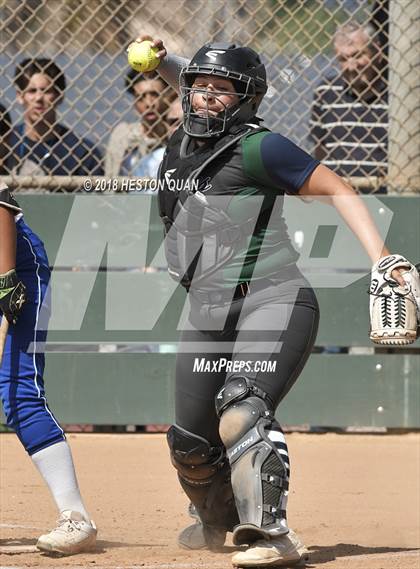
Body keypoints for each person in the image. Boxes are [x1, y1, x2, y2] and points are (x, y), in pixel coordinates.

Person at [137, 37, 414, 568]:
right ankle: (218, 522)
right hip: (207, 308)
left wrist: (384, 258)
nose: (206, 98)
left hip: (274, 297)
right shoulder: (183, 135)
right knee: (190, 447)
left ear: (247, 99)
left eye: (223, 91)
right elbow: (196, 84)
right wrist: (172, 60)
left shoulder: (258, 147)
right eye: (198, 88)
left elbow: (339, 189)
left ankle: (272, 532)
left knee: (241, 411)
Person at [0, 113, 97, 555]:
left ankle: (75, 518)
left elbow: (0, 205)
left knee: (17, 391)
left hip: (15, 267)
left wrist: (5, 279)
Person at [309, 22, 388, 189]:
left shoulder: (395, 95)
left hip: (384, 192)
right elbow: (320, 148)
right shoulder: (326, 92)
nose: (352, 66)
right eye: (343, 59)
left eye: (358, 55)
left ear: (378, 52)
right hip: (336, 193)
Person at [7, 58, 103, 181]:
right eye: (32, 91)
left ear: (59, 96)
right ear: (20, 96)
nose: (39, 98)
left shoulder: (80, 152)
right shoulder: (7, 144)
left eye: (46, 91)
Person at [105, 68, 173, 178]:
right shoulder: (124, 135)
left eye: (155, 95)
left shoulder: (177, 133)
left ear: (167, 96)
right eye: (141, 97)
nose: (148, 104)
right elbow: (110, 179)